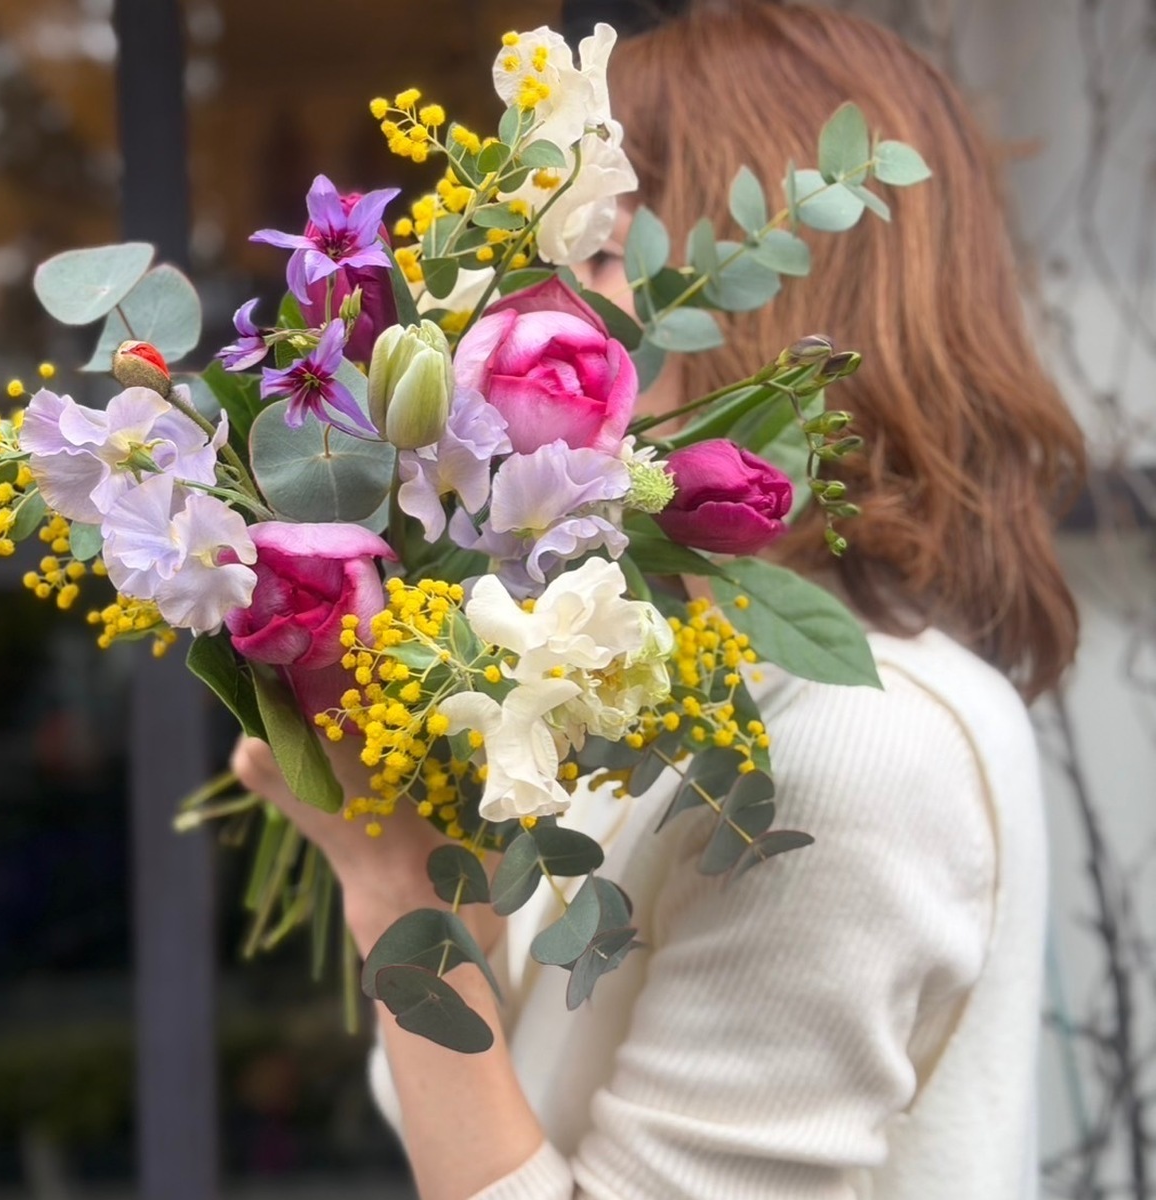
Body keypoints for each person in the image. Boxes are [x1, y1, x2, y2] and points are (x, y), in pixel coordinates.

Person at [232, 3, 1087, 1197]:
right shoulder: (640, 674)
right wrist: (432, 865)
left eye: (593, 248)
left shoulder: (854, 742)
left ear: (765, 285)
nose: (524, 310)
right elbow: (480, 1094)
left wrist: (383, 881)